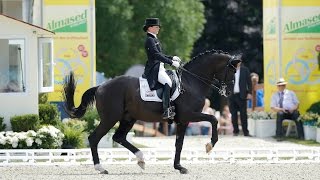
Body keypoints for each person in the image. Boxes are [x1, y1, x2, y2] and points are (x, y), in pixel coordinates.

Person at [142, 18, 181, 119]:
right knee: (168, 82)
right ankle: (166, 110)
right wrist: (171, 62)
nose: (158, 28)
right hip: (155, 68)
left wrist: (171, 57)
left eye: (158, 27)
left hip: (160, 67)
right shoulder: (149, 40)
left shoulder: (154, 39)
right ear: (150, 28)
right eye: (156, 27)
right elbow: (156, 55)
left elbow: (160, 54)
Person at [228, 61, 252, 136]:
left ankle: (245, 132)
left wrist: (250, 93)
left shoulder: (245, 70)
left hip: (241, 95)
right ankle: (235, 131)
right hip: (232, 95)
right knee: (233, 114)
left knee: (243, 114)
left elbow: (249, 82)